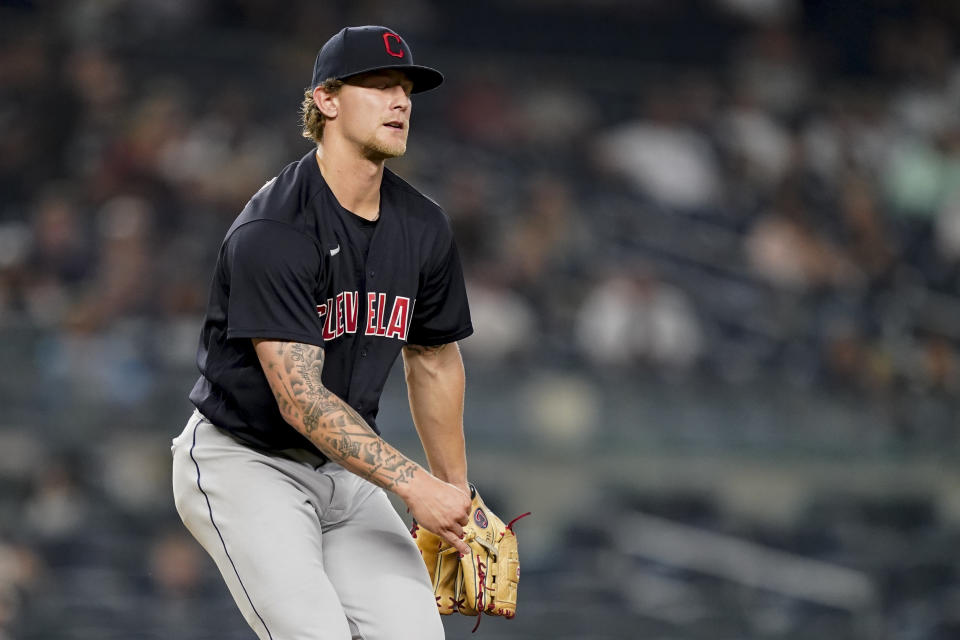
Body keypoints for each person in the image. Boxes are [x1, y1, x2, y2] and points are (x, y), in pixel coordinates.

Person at [171, 25, 474, 640]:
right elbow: (299, 399)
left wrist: (456, 497)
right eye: (379, 85)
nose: (400, 101)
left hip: (348, 473)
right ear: (327, 100)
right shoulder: (276, 228)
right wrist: (415, 484)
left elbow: (434, 360)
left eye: (407, 89)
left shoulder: (423, 226)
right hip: (247, 462)